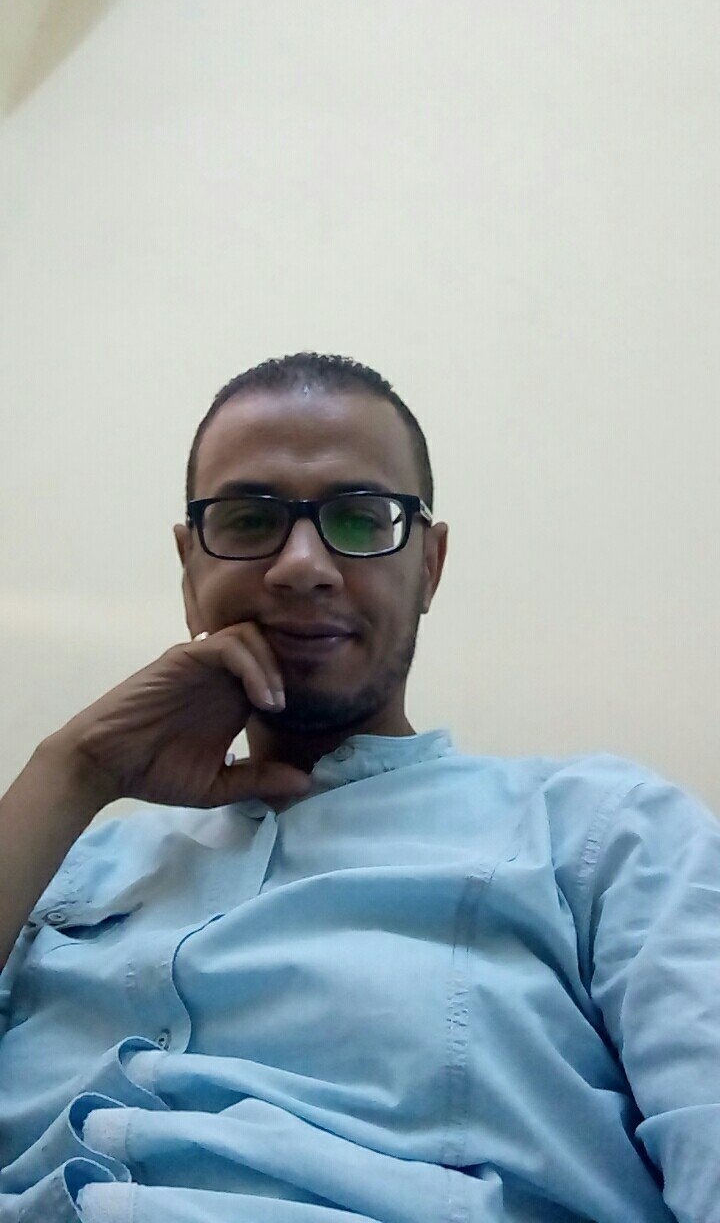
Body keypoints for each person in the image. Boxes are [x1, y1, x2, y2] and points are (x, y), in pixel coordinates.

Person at [0, 352, 718, 1223]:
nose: (302, 564)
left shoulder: (604, 834)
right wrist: (72, 771)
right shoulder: (59, 867)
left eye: (360, 516)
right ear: (189, 567)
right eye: (250, 518)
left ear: (430, 566)